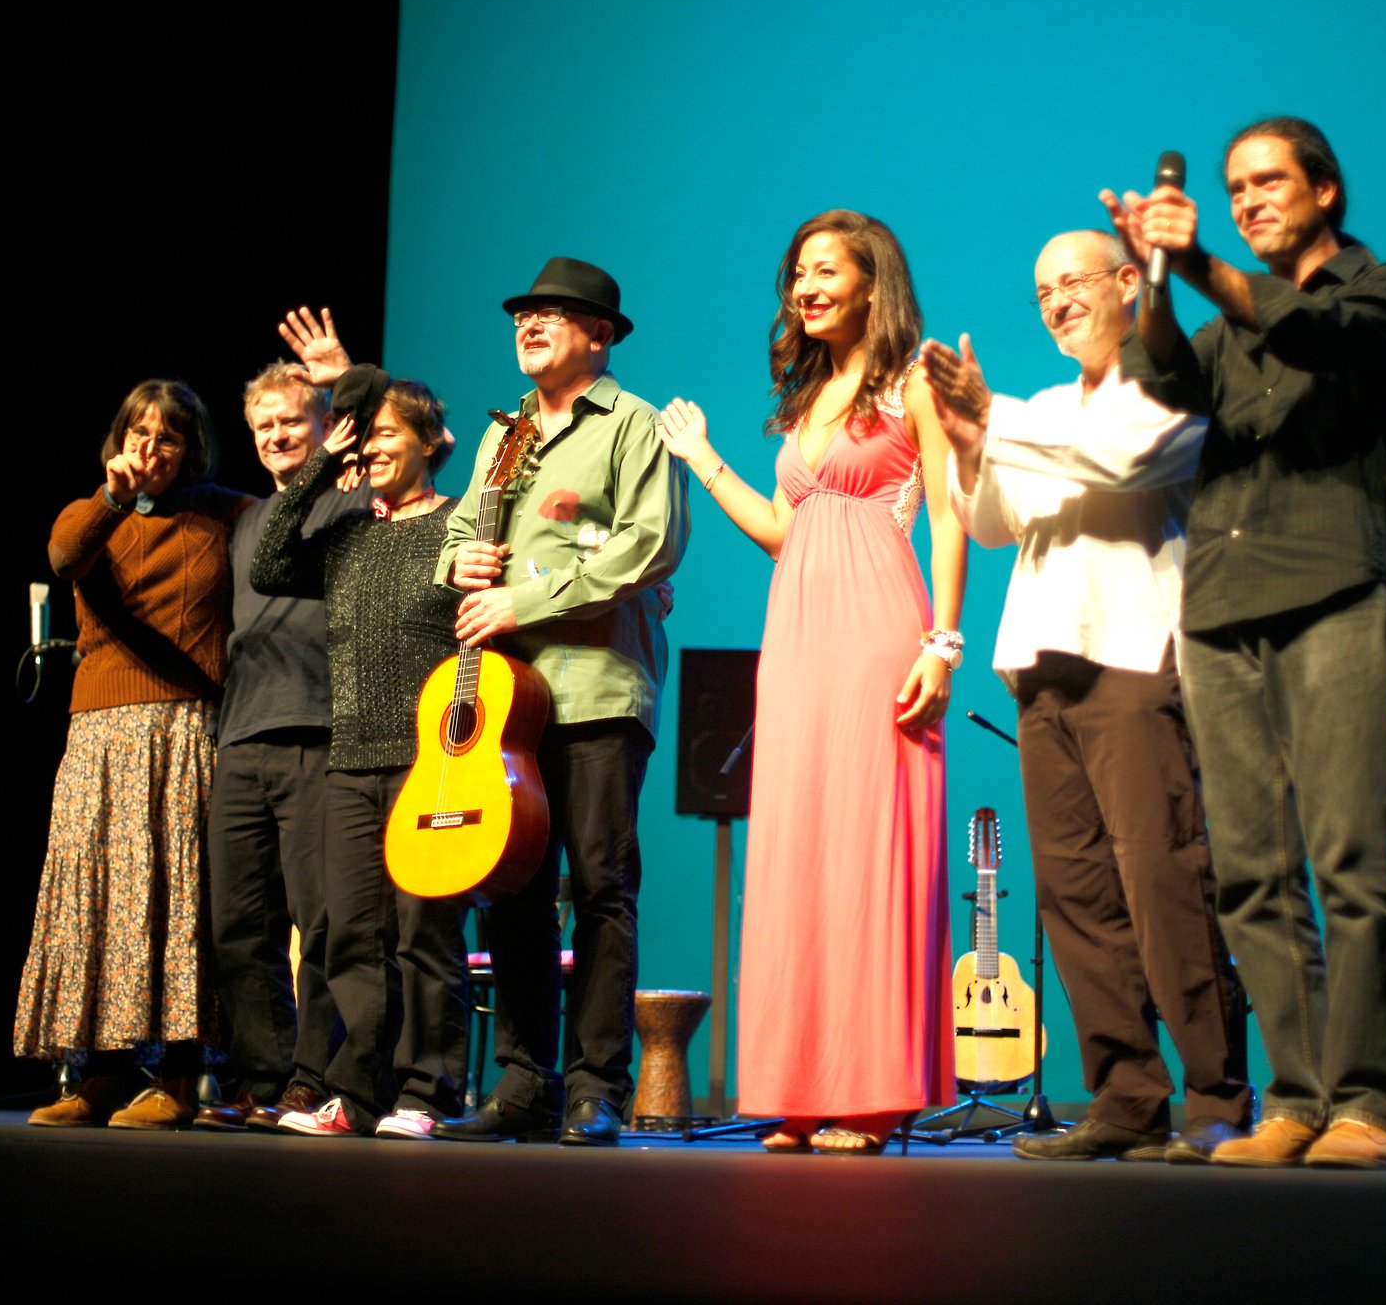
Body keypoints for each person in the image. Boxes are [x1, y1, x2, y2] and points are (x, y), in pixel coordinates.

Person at [1102, 116, 1386, 1169]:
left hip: (1330, 588)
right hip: (1218, 609)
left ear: (1324, 190)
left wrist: (1195, 261)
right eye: (1233, 187)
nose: (1245, 199)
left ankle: (1365, 1101)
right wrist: (1151, 277)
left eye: (1266, 181)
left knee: (1347, 858)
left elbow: (1308, 332)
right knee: (1248, 872)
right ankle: (1292, 1101)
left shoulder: (1383, 291)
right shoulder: (1220, 327)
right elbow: (1159, 379)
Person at [923, 230, 1251, 1166]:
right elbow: (992, 524)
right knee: (1075, 894)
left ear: (1123, 282)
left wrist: (1001, 420)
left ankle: (1218, 1098)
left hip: (1134, 656)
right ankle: (1124, 1095)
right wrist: (971, 444)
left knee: (1164, 881)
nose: (1056, 299)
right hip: (1041, 662)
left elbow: (1124, 464)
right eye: (1040, 291)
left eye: (1072, 280)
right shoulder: (1046, 408)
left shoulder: (1168, 384)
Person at [656, 209, 965, 1155]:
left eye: (824, 269)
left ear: (874, 282)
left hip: (881, 628)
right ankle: (796, 1089)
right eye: (797, 273)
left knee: (871, 851)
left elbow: (949, 512)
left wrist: (942, 644)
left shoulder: (914, 382)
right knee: (796, 850)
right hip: (793, 636)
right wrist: (703, 460)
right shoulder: (804, 402)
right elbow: (788, 530)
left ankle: (871, 1094)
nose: (805, 286)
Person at [433, 257, 689, 1149]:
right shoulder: (504, 432)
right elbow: (463, 530)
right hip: (504, 698)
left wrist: (524, 599)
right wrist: (454, 563)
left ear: (601, 334)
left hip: (594, 690)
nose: (530, 324)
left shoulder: (632, 424)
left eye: (554, 313)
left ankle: (596, 1087)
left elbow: (649, 545)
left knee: (601, 887)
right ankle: (522, 1080)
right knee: (511, 891)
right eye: (524, 313)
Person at [16, 379, 254, 1128]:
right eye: (139, 433)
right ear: (119, 441)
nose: (151, 448)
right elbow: (63, 555)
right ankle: (99, 1074)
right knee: (97, 899)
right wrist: (114, 497)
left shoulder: (222, 513)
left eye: (169, 436)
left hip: (184, 727)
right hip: (98, 731)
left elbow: (289, 527)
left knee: (176, 896)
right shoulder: (92, 511)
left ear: (192, 449)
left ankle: (179, 1076)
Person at [251, 366, 471, 1139]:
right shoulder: (349, 534)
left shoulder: (459, 526)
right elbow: (268, 562)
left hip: (430, 761)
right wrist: (319, 462)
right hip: (350, 759)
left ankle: (430, 1090)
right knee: (349, 933)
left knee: (425, 933)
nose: (371, 445)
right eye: (365, 432)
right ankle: (360, 1089)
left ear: (430, 442)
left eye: (385, 432)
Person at [195, 360, 365, 1132]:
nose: (274, 436)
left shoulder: (355, 501)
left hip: (320, 732)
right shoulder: (248, 519)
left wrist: (355, 377)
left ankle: (313, 1078)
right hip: (242, 736)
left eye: (290, 421)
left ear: (326, 425)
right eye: (262, 426)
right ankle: (262, 1079)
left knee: (321, 917)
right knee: (238, 922)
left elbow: (431, 441)